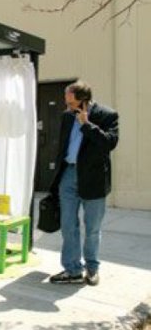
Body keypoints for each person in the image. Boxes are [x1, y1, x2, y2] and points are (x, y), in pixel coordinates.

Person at [49, 81, 119, 286]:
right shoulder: (67, 116)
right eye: (67, 103)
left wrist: (87, 125)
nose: (68, 107)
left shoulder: (107, 115)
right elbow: (63, 146)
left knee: (92, 228)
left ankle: (92, 269)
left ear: (84, 101)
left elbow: (109, 143)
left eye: (72, 103)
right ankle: (72, 270)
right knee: (68, 225)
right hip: (69, 175)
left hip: (93, 178)